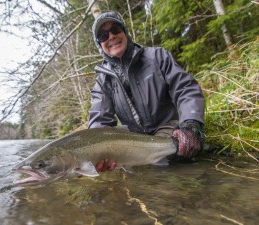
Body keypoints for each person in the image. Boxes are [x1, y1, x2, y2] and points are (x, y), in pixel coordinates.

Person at [88, 11, 205, 172]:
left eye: (116, 30)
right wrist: (96, 154)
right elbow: (99, 123)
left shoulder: (157, 56)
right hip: (133, 141)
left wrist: (191, 123)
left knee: (171, 164)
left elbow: (185, 89)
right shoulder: (102, 83)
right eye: (103, 36)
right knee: (136, 175)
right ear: (99, 44)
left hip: (168, 128)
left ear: (125, 32)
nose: (111, 37)